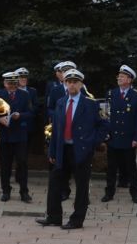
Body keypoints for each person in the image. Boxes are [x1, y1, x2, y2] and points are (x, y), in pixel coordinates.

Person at [36, 68, 107, 229]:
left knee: (81, 187)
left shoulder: (90, 104)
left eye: (75, 82)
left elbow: (103, 125)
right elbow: (56, 130)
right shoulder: (61, 102)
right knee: (55, 183)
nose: (72, 85)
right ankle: (54, 217)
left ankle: (77, 220)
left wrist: (92, 142)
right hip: (63, 149)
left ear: (81, 84)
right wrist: (52, 151)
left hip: (80, 150)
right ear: (65, 83)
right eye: (69, 82)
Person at [102, 65, 137, 204]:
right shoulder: (111, 94)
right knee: (111, 168)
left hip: (128, 138)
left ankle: (135, 194)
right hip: (113, 137)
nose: (119, 78)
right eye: (118, 76)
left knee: (131, 168)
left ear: (129, 80)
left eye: (122, 76)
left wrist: (136, 138)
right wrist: (105, 134)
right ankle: (109, 193)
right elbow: (106, 116)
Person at [0, 71, 33, 203]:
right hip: (4, 136)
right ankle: (6, 191)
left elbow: (31, 113)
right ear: (4, 83)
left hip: (20, 136)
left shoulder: (24, 95)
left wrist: (20, 116)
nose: (12, 86)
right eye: (9, 83)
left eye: (14, 84)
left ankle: (24, 192)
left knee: (22, 164)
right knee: (5, 165)